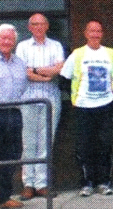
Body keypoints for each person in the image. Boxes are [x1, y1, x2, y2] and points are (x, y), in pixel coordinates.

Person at [59, 20, 113, 197]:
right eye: (91, 31)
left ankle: (104, 182)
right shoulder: (77, 54)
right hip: (83, 108)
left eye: (98, 31)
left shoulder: (111, 54)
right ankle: (86, 183)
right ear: (85, 33)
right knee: (84, 146)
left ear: (102, 34)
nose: (95, 34)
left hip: (105, 107)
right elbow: (63, 80)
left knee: (104, 145)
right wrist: (79, 97)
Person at [15, 13, 64, 200]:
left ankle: (42, 184)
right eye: (34, 24)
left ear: (47, 26)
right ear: (29, 27)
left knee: (46, 141)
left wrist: (34, 70)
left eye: (41, 24)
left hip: (50, 98)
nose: (38, 27)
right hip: (27, 98)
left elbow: (59, 68)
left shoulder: (56, 45)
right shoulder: (22, 46)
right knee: (28, 142)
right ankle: (28, 184)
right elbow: (22, 72)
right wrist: (43, 73)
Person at [0, 23, 27, 209]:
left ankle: (4, 197)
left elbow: (22, 87)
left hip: (14, 113)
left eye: (10, 38)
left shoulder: (19, 62)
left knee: (12, 155)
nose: (7, 41)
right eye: (3, 37)